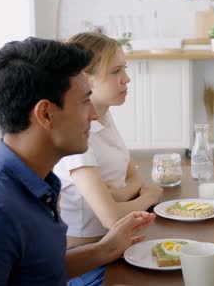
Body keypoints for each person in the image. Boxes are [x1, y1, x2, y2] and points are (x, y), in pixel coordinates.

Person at [0, 37, 156, 285]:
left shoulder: (37, 182)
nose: (94, 115)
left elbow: (36, 268)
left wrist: (105, 249)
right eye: (85, 102)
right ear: (46, 114)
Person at [53, 32, 163, 285]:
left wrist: (121, 194)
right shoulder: (77, 134)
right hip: (87, 262)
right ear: (84, 78)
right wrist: (149, 195)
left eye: (124, 69)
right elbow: (113, 219)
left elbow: (131, 171)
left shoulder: (103, 115)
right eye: (115, 71)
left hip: (116, 248)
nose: (127, 78)